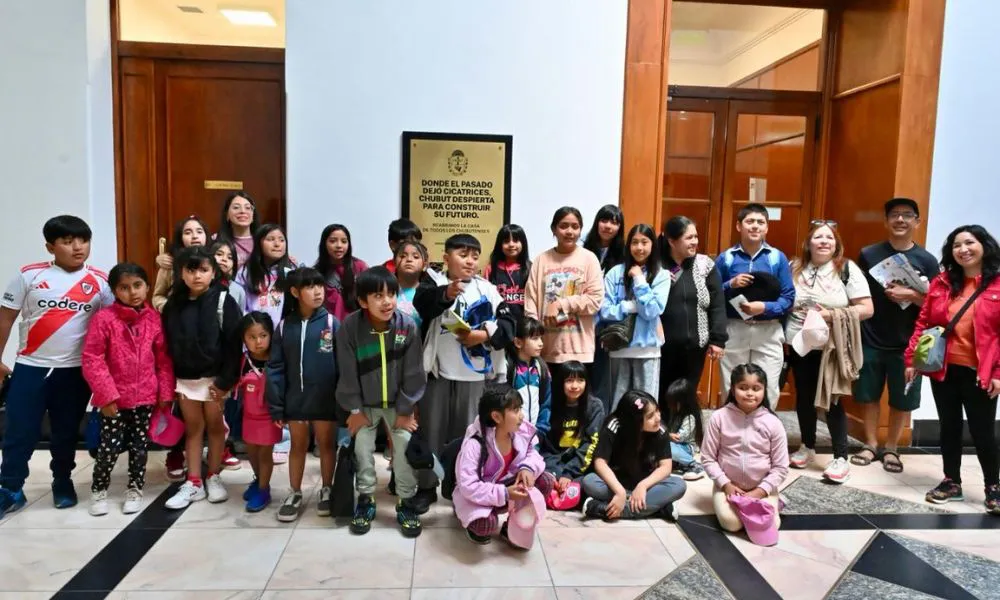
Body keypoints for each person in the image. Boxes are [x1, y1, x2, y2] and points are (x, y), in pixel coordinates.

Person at [0, 215, 114, 517]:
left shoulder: (101, 283)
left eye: (83, 240)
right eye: (67, 241)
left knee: (64, 432)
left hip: (75, 372)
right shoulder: (29, 276)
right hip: (30, 367)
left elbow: (111, 329)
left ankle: (62, 481)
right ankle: (10, 488)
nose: (77, 247)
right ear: (50, 246)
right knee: (18, 431)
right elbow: (5, 319)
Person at [905, 225, 1000, 513]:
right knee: (949, 427)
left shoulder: (996, 283)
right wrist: (912, 359)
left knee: (983, 431)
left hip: (981, 370)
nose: (963, 249)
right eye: (956, 245)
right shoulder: (943, 282)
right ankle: (951, 481)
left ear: (984, 245)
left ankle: (993, 486)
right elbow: (923, 322)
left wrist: (998, 373)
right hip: (944, 368)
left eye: (969, 243)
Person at [337, 267, 426, 537]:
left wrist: (406, 408)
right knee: (362, 450)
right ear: (363, 301)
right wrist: (354, 409)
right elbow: (347, 372)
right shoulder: (350, 328)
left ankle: (406, 501)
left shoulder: (407, 325)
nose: (387, 301)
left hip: (398, 404)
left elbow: (414, 372)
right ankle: (366, 498)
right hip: (363, 405)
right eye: (378, 296)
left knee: (404, 449)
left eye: (391, 294)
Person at [851, 198, 939, 473]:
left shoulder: (927, 260)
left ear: (917, 221)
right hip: (871, 336)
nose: (900, 220)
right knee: (868, 395)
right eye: (895, 215)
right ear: (886, 220)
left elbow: (938, 304)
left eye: (907, 215)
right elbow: (856, 292)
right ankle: (870, 444)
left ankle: (892, 448)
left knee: (903, 399)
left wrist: (912, 295)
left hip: (909, 343)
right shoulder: (868, 254)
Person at [81, 262, 173, 516]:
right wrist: (106, 395)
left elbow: (164, 359)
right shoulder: (104, 319)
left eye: (137, 285)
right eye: (124, 287)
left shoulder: (154, 319)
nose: (132, 292)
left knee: (139, 446)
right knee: (108, 447)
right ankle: (99, 490)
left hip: (145, 397)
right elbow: (92, 358)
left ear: (147, 287)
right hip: (115, 399)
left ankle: (135, 488)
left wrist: (165, 393)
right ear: (114, 291)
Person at [413, 234, 514, 462]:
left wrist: (484, 335)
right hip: (437, 372)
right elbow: (422, 303)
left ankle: (462, 482)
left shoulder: (487, 289)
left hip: (474, 375)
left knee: (469, 434)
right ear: (446, 258)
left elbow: (510, 324)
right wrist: (446, 294)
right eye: (463, 255)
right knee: (432, 430)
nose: (470, 261)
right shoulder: (434, 282)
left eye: (475, 257)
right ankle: (427, 485)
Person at [786, 221, 872, 483]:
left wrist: (831, 314)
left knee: (831, 399)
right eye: (818, 237)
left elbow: (867, 309)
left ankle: (840, 457)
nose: (823, 242)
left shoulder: (846, 269)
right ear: (808, 243)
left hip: (830, 346)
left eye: (829, 238)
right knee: (803, 397)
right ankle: (807, 447)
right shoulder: (795, 267)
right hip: (799, 342)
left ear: (836, 244)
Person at [162, 246, 243, 509]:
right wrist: (170, 381)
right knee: (193, 428)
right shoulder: (173, 305)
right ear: (181, 273)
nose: (197, 275)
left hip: (215, 379)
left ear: (213, 272)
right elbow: (167, 345)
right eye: (191, 269)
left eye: (204, 270)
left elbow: (234, 345)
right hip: (185, 379)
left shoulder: (223, 301)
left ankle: (214, 476)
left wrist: (225, 381)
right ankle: (193, 481)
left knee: (215, 426)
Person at [266, 268, 340, 522]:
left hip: (325, 400)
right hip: (295, 400)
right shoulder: (285, 326)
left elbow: (343, 366)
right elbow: (275, 367)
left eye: (320, 285)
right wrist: (276, 404)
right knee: (297, 446)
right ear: (296, 292)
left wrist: (343, 402)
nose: (318, 291)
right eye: (310, 287)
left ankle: (327, 489)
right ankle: (294, 492)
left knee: (327, 445)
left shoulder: (332, 323)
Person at [453, 383, 554, 546]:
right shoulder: (475, 444)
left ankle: (511, 526)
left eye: (520, 408)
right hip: (480, 494)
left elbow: (533, 454)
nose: (522, 415)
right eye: (515, 410)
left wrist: (527, 468)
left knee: (546, 481)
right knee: (485, 525)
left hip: (509, 487)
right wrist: (504, 493)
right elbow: (468, 486)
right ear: (497, 417)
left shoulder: (520, 431)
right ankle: (474, 520)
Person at [715, 203, 795, 405]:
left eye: (761, 222)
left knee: (767, 388)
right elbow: (712, 295)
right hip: (734, 328)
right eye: (750, 221)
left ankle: (762, 434)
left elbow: (788, 297)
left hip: (768, 330)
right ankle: (730, 433)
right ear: (739, 226)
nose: (755, 226)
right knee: (730, 385)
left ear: (767, 228)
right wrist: (730, 284)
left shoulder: (777, 258)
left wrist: (764, 308)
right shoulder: (726, 258)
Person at [701, 363, 789, 533]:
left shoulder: (773, 423)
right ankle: (734, 504)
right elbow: (708, 458)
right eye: (743, 387)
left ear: (764, 391)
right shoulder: (718, 418)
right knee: (731, 524)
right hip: (728, 487)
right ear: (733, 390)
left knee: (770, 526)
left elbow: (781, 466)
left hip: (762, 488)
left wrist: (760, 491)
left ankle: (775, 499)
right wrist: (725, 484)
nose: (750, 393)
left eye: (756, 388)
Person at [581, 390, 687, 521]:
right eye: (650, 416)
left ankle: (603, 509)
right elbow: (600, 463)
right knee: (589, 482)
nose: (658, 417)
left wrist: (642, 486)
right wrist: (619, 491)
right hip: (617, 483)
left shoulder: (660, 430)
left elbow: (666, 467)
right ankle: (658, 509)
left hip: (647, 485)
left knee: (679, 485)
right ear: (634, 421)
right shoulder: (614, 426)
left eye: (657, 411)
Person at [524, 207, 605, 379]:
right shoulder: (541, 260)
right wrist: (533, 338)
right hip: (545, 350)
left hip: (579, 351)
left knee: (575, 403)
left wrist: (561, 304)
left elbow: (595, 300)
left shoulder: (589, 259)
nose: (569, 231)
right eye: (564, 226)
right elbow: (530, 300)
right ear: (554, 229)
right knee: (547, 403)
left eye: (575, 227)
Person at [600, 224, 670, 408]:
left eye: (644, 242)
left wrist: (639, 279)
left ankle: (643, 438)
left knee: (645, 405)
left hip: (647, 348)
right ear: (628, 245)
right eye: (635, 242)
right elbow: (605, 310)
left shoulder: (661, 275)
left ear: (653, 245)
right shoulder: (615, 273)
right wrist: (630, 306)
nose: (639, 247)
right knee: (617, 404)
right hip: (618, 346)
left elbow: (653, 311)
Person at [658, 216, 727, 401]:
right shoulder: (657, 265)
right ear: (672, 241)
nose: (695, 242)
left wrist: (718, 339)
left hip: (695, 347)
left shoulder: (705, 265)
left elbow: (718, 304)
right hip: (661, 347)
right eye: (689, 238)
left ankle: (685, 430)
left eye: (696, 237)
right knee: (661, 395)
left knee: (686, 397)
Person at [540, 360, 604, 493]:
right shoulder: (550, 405)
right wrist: (555, 472)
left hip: (580, 467)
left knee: (587, 485)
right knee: (543, 483)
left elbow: (590, 445)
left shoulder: (595, 406)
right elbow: (546, 447)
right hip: (552, 464)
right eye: (569, 380)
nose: (575, 386)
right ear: (560, 383)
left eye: (580, 380)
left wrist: (568, 473)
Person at [583, 204, 625, 406]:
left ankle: (599, 425)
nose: (608, 226)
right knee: (578, 376)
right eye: (604, 220)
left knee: (602, 378)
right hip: (581, 322)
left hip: (605, 325)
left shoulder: (623, 254)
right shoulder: (582, 249)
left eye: (614, 222)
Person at [238, 311, 278, 513]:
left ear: (271, 335)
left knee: (265, 453)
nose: (258, 341)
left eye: (263, 335)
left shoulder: (277, 359)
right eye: (252, 337)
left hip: (269, 417)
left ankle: (264, 488)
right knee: (251, 452)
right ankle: (258, 479)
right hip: (248, 416)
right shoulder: (242, 360)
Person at [237, 223, 300, 325]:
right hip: (253, 330)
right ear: (258, 243)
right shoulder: (246, 271)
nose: (277, 244)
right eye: (270, 239)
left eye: (281, 240)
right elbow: (238, 303)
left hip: (283, 333)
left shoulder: (291, 270)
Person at [152, 215, 210, 312]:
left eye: (199, 232)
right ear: (180, 238)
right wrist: (168, 308)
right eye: (188, 232)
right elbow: (158, 296)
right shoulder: (169, 263)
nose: (195, 236)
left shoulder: (215, 260)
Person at [506, 316, 551, 438]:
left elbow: (546, 402)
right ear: (518, 342)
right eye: (535, 338)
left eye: (541, 338)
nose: (541, 343)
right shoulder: (509, 367)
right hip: (512, 435)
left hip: (535, 436)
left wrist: (541, 431)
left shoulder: (541, 368)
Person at [315, 224, 368, 322]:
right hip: (328, 327)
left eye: (344, 241)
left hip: (356, 326)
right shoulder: (317, 272)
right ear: (324, 244)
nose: (339, 245)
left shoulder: (359, 267)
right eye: (333, 241)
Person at [484, 224, 531, 323]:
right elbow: (486, 299)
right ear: (499, 245)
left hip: (525, 324)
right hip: (499, 324)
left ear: (523, 243)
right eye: (506, 241)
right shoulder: (491, 269)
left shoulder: (531, 268)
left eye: (515, 240)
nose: (511, 244)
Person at [663, 379, 705, 481]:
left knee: (669, 447)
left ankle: (693, 465)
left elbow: (679, 438)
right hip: (675, 448)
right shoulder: (674, 414)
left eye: (673, 402)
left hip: (686, 448)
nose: (670, 405)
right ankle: (678, 464)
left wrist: (665, 435)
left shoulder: (690, 417)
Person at [216, 191, 260, 270]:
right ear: (227, 215)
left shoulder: (263, 240)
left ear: (253, 215)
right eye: (236, 207)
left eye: (247, 208)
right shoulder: (216, 239)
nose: (243, 211)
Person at [393, 239, 429, 330]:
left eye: (416, 257)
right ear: (394, 262)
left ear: (424, 265)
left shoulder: (429, 293)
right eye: (403, 256)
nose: (409, 259)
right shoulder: (387, 290)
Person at [583, 204, 626, 273]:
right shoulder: (582, 244)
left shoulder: (624, 252)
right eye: (604, 221)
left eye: (613, 223)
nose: (608, 226)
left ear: (619, 228)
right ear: (596, 223)